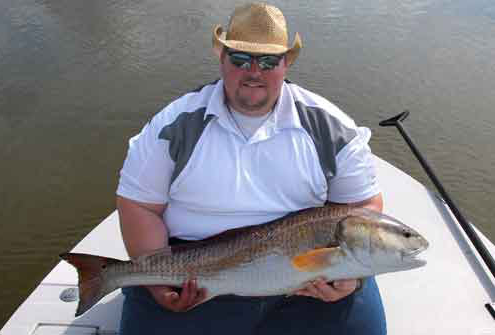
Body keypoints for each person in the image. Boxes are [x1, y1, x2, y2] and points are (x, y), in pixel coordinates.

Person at [116, 2, 386, 334]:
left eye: (269, 60)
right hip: (194, 273)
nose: (254, 72)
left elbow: (364, 208)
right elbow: (138, 205)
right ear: (222, 58)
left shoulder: (332, 129)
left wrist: (350, 280)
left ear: (287, 63)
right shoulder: (173, 126)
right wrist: (159, 283)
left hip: (305, 279)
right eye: (241, 58)